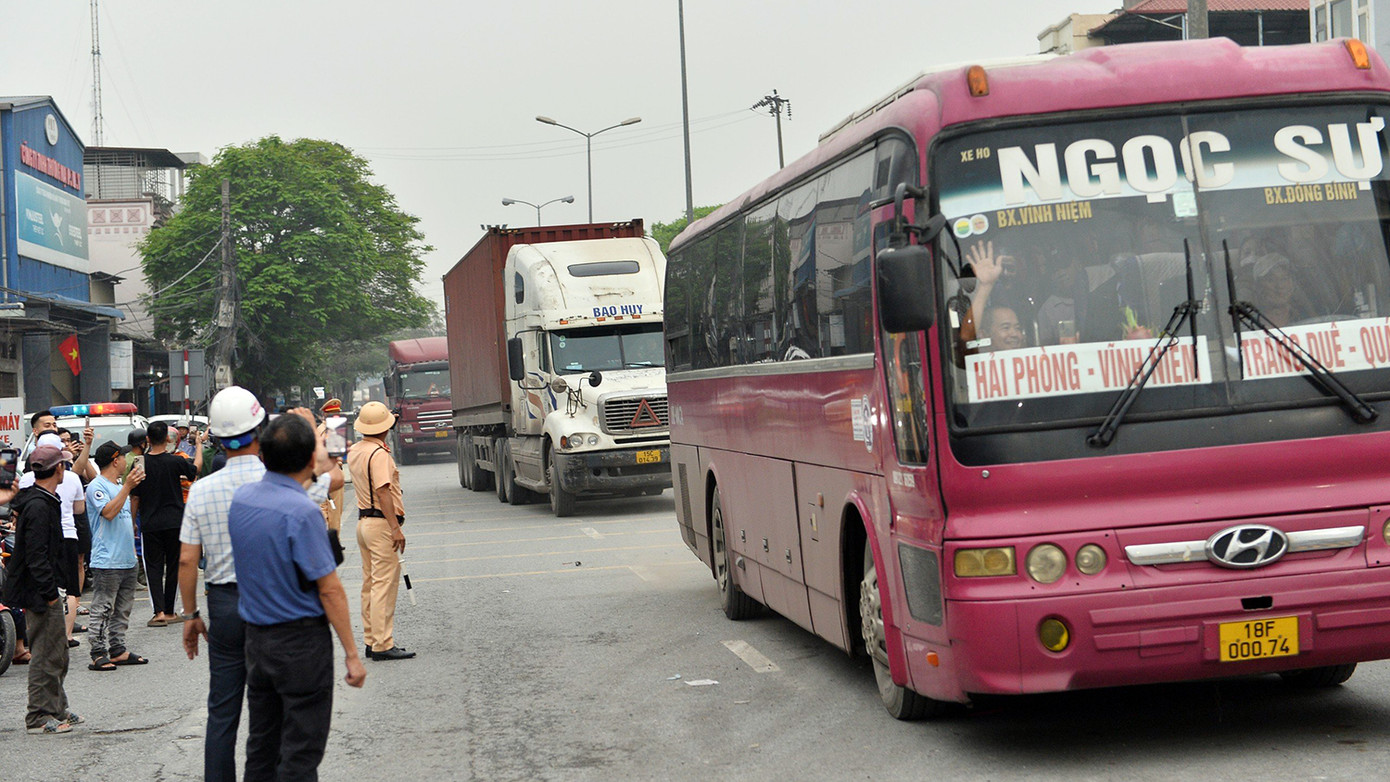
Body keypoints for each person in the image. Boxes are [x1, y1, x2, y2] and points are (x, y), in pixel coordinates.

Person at [180, 391, 341, 782]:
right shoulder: (284, 481)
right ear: (260, 430)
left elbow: (187, 560)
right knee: (274, 714)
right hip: (272, 605)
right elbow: (331, 476)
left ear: (217, 438)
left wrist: (191, 615)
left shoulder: (202, 490)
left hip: (223, 603)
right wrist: (310, 430)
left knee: (222, 710)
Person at [228, 414, 365, 780]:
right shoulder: (302, 512)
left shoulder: (242, 500)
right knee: (301, 752)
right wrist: (352, 654)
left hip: (257, 641)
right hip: (300, 645)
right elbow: (330, 589)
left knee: (262, 745)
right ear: (307, 460)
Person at [3, 444, 81, 735]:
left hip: (46, 589)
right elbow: (36, 557)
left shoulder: (45, 499)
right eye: (64, 465)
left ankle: (58, 708)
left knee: (58, 652)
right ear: (58, 468)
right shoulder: (38, 506)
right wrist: (50, 594)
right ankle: (38, 715)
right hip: (39, 593)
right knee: (45, 655)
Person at [348, 401, 414, 661]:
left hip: (363, 522)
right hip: (381, 524)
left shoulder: (356, 450)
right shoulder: (380, 455)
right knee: (384, 586)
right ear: (386, 427)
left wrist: (387, 424)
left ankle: (371, 639)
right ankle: (382, 644)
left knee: (370, 584)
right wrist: (395, 528)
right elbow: (383, 491)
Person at [131, 421, 204, 626]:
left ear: (147, 440)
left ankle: (159, 612)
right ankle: (171, 611)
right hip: (175, 521)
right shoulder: (175, 462)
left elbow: (135, 497)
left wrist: (132, 521)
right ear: (167, 439)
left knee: (153, 566)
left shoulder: (139, 462)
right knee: (173, 565)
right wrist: (198, 445)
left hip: (150, 521)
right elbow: (195, 469)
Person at [18, 433, 87, 649]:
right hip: (67, 535)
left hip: (43, 539)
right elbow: (79, 509)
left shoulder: (26, 481)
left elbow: (17, 511)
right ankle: (65, 634)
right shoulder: (71, 478)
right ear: (58, 465)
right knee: (70, 588)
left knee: (47, 584)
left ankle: (44, 635)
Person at [84, 441, 147, 671]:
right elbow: (109, 513)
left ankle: (118, 649)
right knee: (103, 607)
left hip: (126, 557)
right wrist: (127, 488)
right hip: (107, 559)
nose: (126, 460)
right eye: (123, 456)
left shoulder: (119, 484)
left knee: (123, 608)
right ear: (115, 460)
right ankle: (98, 652)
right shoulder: (96, 486)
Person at [315, 399, 347, 538]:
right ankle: (334, 540)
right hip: (332, 472)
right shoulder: (332, 429)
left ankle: (323, 538)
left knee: (323, 507)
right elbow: (337, 456)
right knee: (334, 511)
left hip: (320, 473)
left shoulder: (319, 430)